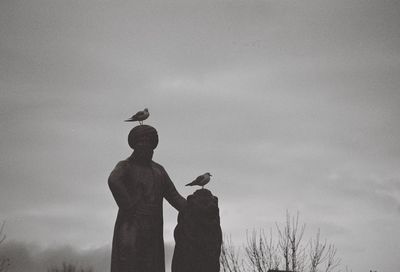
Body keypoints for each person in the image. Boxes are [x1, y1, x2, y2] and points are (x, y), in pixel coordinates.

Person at [108, 125, 187, 272]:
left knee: (151, 265)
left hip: (153, 229)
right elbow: (114, 180)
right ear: (134, 145)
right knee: (129, 264)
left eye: (149, 143)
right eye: (141, 142)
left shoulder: (159, 171)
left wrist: (194, 208)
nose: (146, 146)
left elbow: (174, 196)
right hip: (131, 227)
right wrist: (130, 206)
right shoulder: (125, 166)